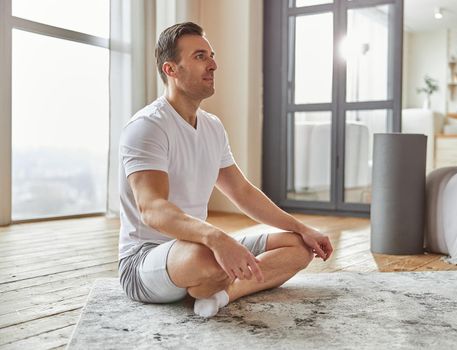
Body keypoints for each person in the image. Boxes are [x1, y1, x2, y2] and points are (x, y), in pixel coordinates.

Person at [118, 22, 333, 318]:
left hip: (198, 246)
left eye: (211, 55)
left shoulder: (213, 126)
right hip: (144, 261)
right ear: (171, 70)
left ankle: (221, 294)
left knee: (298, 247)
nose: (213, 64)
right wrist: (217, 239)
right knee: (208, 258)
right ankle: (213, 279)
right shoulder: (147, 127)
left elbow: (243, 192)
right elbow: (153, 209)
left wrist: (301, 227)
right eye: (200, 57)